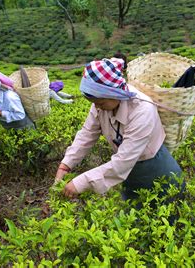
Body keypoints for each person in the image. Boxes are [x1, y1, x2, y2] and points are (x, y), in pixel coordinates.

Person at [54, 58, 184, 202]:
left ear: (115, 93)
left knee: (161, 211)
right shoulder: (101, 103)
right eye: (94, 103)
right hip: (127, 169)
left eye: (100, 103)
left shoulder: (142, 110)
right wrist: (66, 164)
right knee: (133, 214)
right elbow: (87, 134)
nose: (97, 107)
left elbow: (122, 162)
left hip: (154, 167)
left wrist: (80, 183)